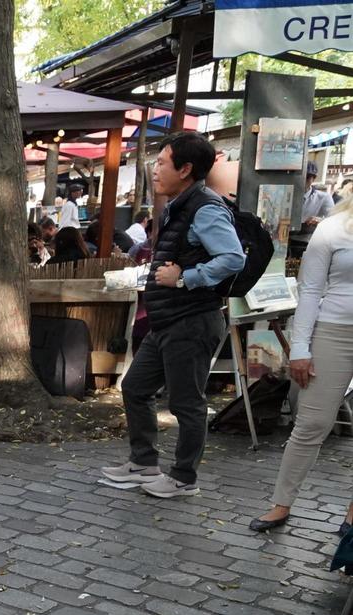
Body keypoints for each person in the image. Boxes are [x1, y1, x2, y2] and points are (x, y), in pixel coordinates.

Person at [103, 132, 246, 498]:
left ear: (185, 169)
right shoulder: (181, 205)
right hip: (169, 320)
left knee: (186, 403)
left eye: (162, 163)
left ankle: (183, 478)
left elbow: (232, 258)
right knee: (135, 387)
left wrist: (186, 278)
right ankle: (143, 463)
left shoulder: (206, 208)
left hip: (192, 320)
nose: (155, 170)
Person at [250, 195, 353, 532]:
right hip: (334, 332)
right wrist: (300, 349)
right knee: (311, 424)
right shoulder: (333, 228)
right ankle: (282, 504)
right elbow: (309, 289)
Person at [304, 162, 335, 233]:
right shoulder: (285, 195)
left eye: (307, 177)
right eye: (300, 177)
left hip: (309, 238)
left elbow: (334, 220)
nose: (303, 181)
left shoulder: (324, 197)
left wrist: (321, 220)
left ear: (314, 179)